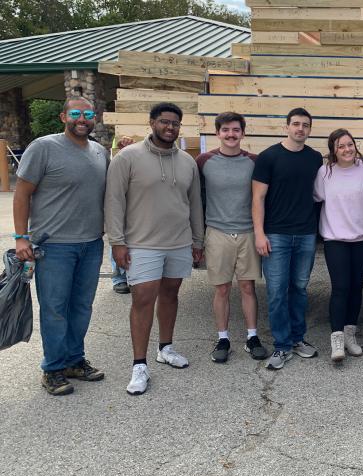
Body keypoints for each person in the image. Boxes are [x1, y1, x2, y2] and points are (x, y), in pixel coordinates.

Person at [106, 102, 204, 395]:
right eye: (164, 121)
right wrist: (117, 241)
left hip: (179, 241)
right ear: (151, 123)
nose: (170, 127)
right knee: (143, 299)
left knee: (171, 294)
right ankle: (139, 365)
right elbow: (113, 201)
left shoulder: (187, 162)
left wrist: (198, 240)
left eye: (175, 123)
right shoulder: (127, 157)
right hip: (141, 242)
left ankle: (166, 348)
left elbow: (195, 203)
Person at [13, 96, 108, 395]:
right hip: (54, 246)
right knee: (55, 309)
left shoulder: (100, 152)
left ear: (95, 119)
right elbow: (22, 193)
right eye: (76, 113)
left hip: (91, 244)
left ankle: (74, 360)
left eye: (88, 114)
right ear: (63, 117)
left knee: (81, 306)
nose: (82, 119)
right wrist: (21, 237)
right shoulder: (43, 147)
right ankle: (53, 368)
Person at [252, 107, 323, 369]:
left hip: (305, 234)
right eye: (296, 124)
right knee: (277, 292)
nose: (300, 128)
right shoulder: (268, 157)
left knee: (300, 289)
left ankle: (297, 339)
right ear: (286, 127)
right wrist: (259, 234)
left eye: (305, 125)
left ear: (309, 129)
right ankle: (281, 346)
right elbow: (257, 198)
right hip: (276, 234)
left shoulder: (315, 158)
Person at [196, 112, 268, 364]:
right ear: (217, 133)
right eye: (225, 130)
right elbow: (195, 197)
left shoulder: (254, 162)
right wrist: (197, 238)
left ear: (243, 133)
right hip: (217, 232)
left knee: (248, 287)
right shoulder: (204, 161)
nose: (230, 134)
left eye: (236, 130)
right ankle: (223, 338)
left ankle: (252, 337)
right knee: (222, 288)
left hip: (247, 231)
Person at [314, 129, 363, 363]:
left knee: (356, 288)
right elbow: (317, 199)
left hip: (362, 239)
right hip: (335, 239)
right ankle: (337, 339)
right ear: (333, 150)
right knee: (340, 288)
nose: (347, 149)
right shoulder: (325, 172)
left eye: (350, 144)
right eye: (341, 146)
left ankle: (350, 335)